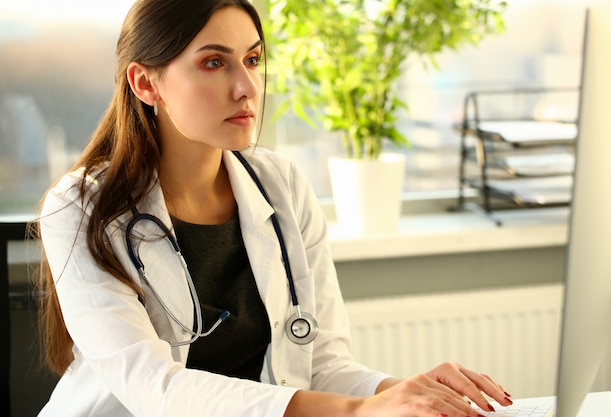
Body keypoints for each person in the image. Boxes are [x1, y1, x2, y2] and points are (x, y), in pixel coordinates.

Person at [34, 0, 514, 416]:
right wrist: (364, 410)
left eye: (253, 59)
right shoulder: (79, 209)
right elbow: (155, 391)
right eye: (214, 63)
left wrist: (412, 395)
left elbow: (323, 363)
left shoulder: (281, 186)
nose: (247, 87)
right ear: (145, 83)